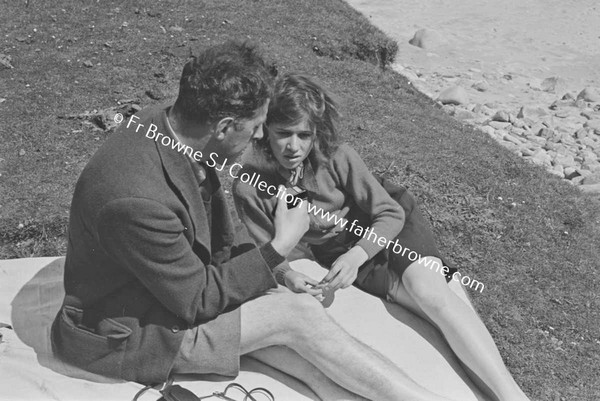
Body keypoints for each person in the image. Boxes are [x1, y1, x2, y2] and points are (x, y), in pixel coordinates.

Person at [51, 41, 457, 401]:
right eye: (256, 128)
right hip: (134, 332)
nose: (263, 135)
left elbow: (213, 239)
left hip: (167, 291)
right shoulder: (136, 201)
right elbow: (197, 301)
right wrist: (279, 247)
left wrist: (278, 273)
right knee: (298, 318)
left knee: (311, 356)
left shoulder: (178, 124)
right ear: (224, 127)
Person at [233, 72, 532, 401]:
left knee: (429, 295)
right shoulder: (250, 186)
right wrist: (289, 276)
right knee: (418, 309)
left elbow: (389, 213)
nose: (294, 146)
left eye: (304, 134)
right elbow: (269, 252)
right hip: (341, 251)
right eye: (283, 134)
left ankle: (512, 396)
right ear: (264, 132)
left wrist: (357, 254)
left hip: (388, 225)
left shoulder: (336, 157)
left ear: (316, 131)